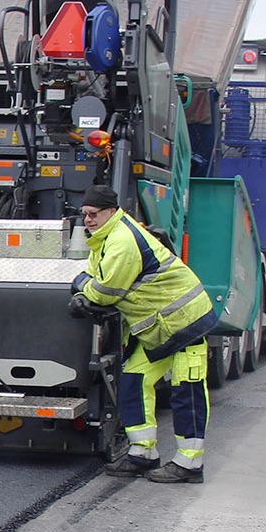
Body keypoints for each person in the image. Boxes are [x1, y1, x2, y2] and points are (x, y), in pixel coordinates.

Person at [69, 183, 218, 483]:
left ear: (112, 211)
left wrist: (81, 283)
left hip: (187, 324)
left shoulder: (122, 240)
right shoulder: (104, 238)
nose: (88, 219)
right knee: (135, 382)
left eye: (93, 213)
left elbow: (106, 291)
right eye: (84, 214)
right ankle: (143, 453)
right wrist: (88, 283)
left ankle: (190, 464)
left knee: (186, 390)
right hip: (159, 328)